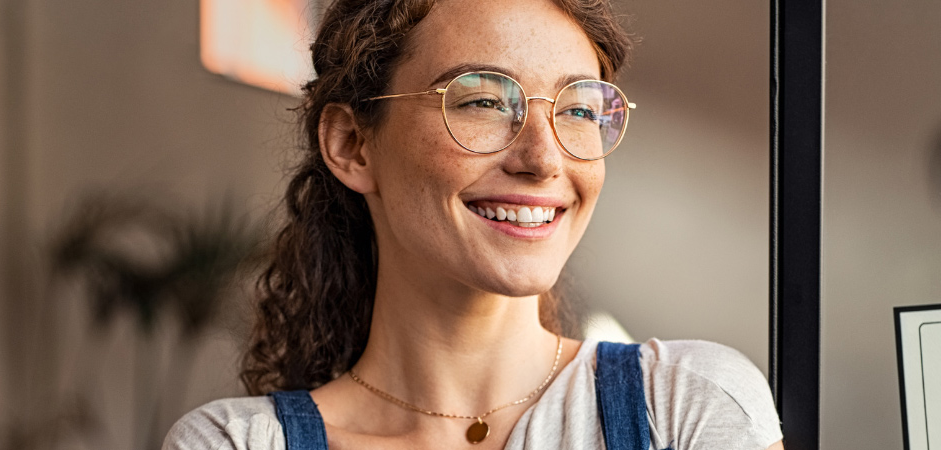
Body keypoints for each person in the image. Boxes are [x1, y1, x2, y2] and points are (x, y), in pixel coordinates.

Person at [165, 0, 784, 448]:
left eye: (578, 110)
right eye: (484, 101)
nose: (543, 158)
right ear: (353, 144)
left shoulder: (686, 405)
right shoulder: (234, 443)